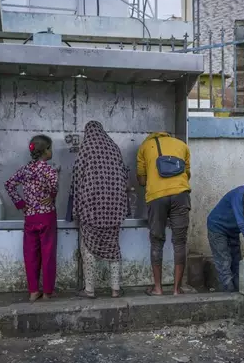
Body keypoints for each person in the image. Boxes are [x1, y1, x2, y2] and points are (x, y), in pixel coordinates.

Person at [66, 121, 128, 299]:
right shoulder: (114, 148)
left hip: (92, 206)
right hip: (114, 207)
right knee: (113, 247)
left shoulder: (87, 148)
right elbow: (124, 175)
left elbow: (77, 178)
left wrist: (75, 208)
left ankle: (89, 290)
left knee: (88, 248)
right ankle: (115, 289)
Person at [5, 135, 59, 302]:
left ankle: (33, 291)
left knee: (30, 254)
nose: (51, 151)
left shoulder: (25, 170)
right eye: (50, 148)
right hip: (47, 216)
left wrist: (21, 203)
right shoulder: (49, 170)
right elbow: (54, 185)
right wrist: (51, 195)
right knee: (48, 254)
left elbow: (9, 184)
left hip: (30, 217)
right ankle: (48, 291)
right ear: (45, 151)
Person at [137, 132, 191, 296]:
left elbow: (141, 180)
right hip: (181, 195)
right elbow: (187, 174)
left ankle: (158, 289)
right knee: (179, 242)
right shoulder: (182, 145)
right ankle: (176, 289)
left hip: (156, 197)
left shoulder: (145, 146)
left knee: (156, 240)